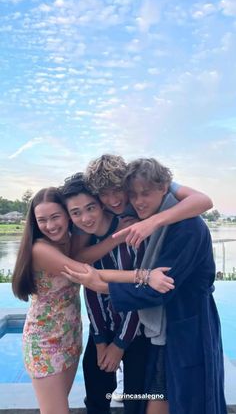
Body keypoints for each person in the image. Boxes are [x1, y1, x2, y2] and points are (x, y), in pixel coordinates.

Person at [63, 158, 227, 414]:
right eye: (133, 194)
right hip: (156, 328)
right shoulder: (121, 219)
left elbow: (157, 289)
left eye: (144, 193)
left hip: (184, 325)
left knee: (187, 397)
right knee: (152, 394)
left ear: (163, 188)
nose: (134, 200)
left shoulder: (184, 226)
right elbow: (83, 263)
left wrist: (102, 282)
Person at [60, 174, 149, 414]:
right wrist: (100, 341)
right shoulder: (82, 241)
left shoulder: (133, 232)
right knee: (97, 396)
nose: (85, 218)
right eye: (76, 213)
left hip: (137, 331)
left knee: (137, 401)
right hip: (103, 328)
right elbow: (92, 294)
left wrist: (120, 344)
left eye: (90, 208)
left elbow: (138, 294)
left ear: (100, 203)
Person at [12, 187, 89, 414]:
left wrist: (120, 234)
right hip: (44, 343)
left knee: (57, 407)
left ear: (67, 215)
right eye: (42, 220)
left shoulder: (68, 242)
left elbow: (87, 254)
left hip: (70, 335)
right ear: (34, 222)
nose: (50, 225)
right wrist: (142, 276)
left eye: (55, 216)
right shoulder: (41, 249)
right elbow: (88, 274)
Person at [85, 154, 213, 248]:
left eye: (118, 190)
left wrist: (152, 222)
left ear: (126, 182)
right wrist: (115, 239)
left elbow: (204, 200)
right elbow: (79, 254)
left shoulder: (149, 184)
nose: (113, 201)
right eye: (104, 194)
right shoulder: (95, 207)